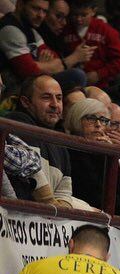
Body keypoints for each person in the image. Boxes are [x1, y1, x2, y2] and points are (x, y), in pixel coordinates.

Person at [65, 96, 120, 217]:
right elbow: (94, 195)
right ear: (76, 120)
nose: (98, 125)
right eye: (91, 118)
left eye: (103, 120)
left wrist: (111, 156)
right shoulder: (72, 151)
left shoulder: (101, 151)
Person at [8, 74, 74, 205]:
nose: (55, 105)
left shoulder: (60, 141)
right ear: (26, 102)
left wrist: (60, 210)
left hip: (49, 222)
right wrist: (52, 206)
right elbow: (28, 176)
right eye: (46, 97)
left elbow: (64, 193)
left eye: (59, 98)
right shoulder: (17, 123)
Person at [0, 0, 88, 91]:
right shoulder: (10, 29)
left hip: (35, 82)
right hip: (17, 88)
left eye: (44, 11)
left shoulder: (31, 29)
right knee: (77, 75)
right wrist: (46, 65)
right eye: (36, 9)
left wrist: (38, 64)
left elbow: (56, 58)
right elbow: (30, 71)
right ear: (20, 4)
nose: (41, 15)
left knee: (91, 90)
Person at [60, 0, 120, 88]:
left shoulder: (105, 30)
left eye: (84, 15)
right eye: (75, 15)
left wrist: (99, 74)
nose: (78, 19)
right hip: (70, 84)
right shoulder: (64, 28)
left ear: (93, 11)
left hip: (99, 86)